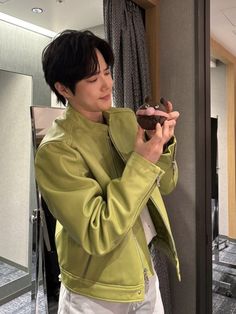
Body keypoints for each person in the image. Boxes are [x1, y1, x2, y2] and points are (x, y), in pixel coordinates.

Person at [35, 29, 180, 314]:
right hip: (96, 294)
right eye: (92, 79)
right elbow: (97, 232)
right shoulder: (56, 151)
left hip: (143, 274)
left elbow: (166, 186)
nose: (108, 84)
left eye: (106, 72)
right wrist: (143, 162)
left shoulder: (126, 120)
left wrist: (161, 145)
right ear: (63, 88)